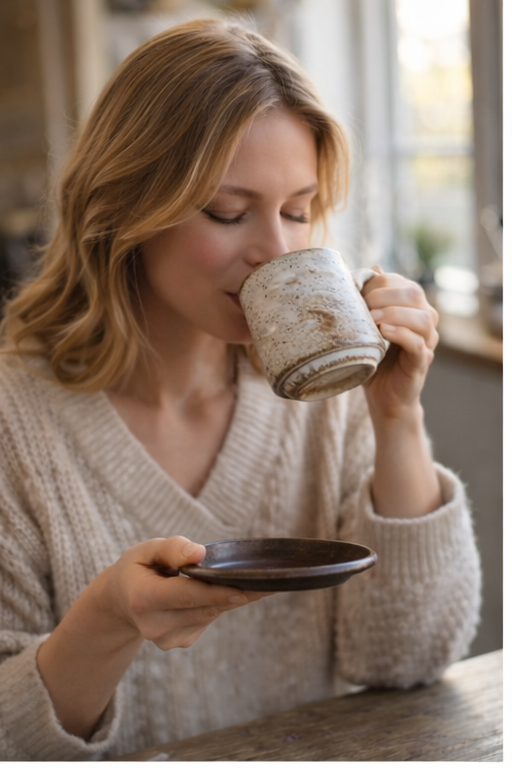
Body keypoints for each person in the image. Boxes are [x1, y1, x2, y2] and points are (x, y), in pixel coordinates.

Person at [0, 17, 481, 760]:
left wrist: (397, 416)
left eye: (297, 212)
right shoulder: (16, 425)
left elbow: (409, 660)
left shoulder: (325, 403)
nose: (276, 252)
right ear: (127, 207)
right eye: (228, 212)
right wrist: (108, 618)